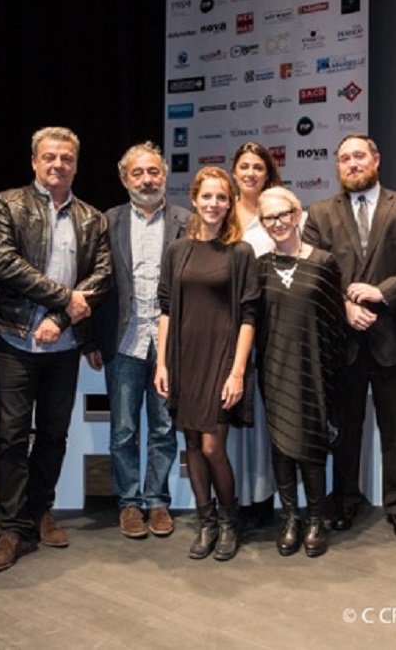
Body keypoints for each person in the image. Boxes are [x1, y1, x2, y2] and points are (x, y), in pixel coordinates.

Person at [0, 126, 111, 572]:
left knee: (54, 434)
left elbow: (101, 276)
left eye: (67, 159)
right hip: (14, 338)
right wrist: (63, 299)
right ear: (34, 162)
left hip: (64, 343)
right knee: (12, 436)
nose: (58, 165)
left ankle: (40, 510)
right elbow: (2, 263)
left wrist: (60, 319)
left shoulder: (92, 217)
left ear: (76, 164)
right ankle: (13, 527)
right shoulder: (7, 204)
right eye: (50, 157)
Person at [302, 134, 396, 541]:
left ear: (376, 159)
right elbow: (313, 269)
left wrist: (383, 291)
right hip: (342, 340)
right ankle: (345, 501)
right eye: (344, 159)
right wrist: (344, 303)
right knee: (345, 428)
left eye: (359, 156)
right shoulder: (320, 213)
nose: (352, 164)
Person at [85, 142, 191, 539]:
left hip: (170, 346)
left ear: (165, 175)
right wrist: (89, 338)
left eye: (154, 172)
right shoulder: (106, 222)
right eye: (138, 173)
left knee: (164, 427)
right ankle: (129, 503)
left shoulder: (187, 220)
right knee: (124, 429)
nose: (147, 180)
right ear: (124, 179)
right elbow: (93, 284)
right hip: (123, 341)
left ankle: (158, 500)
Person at [155, 166, 260, 561]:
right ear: (194, 200)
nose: (214, 204)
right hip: (184, 357)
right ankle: (206, 522)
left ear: (229, 202)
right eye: (207, 197)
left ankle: (230, 521)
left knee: (214, 446)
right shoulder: (177, 249)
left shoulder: (241, 252)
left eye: (221, 197)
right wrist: (162, 363)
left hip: (222, 359)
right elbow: (165, 309)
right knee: (193, 445)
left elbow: (249, 316)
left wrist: (237, 372)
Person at [256, 187, 346, 558]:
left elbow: (335, 323)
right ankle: (290, 518)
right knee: (281, 445)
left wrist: (331, 374)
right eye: (269, 218)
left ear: (297, 215)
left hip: (314, 367)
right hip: (275, 366)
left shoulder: (325, 263)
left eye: (283, 215)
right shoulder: (259, 266)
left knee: (311, 446)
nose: (277, 223)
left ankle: (316, 520)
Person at [228, 142, 285, 529]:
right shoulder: (218, 212)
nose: (250, 173)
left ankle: (263, 497)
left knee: (264, 416)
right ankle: (232, 496)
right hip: (226, 328)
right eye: (244, 166)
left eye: (258, 167)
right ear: (234, 171)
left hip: (271, 329)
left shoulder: (278, 212)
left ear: (268, 173)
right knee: (230, 416)